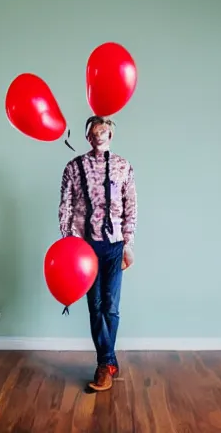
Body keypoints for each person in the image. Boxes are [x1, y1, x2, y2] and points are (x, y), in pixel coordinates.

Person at [58, 115, 137, 392]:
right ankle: (107, 363)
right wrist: (68, 243)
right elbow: (65, 207)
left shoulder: (124, 167)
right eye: (94, 131)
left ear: (111, 135)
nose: (99, 135)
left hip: (114, 245)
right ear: (87, 137)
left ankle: (105, 362)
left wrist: (128, 244)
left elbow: (130, 207)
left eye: (104, 131)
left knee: (111, 306)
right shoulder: (73, 167)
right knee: (95, 306)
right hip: (84, 248)